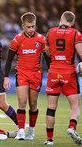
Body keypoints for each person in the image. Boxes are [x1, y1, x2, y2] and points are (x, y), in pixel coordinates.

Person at [3, 12, 50, 140]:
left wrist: (51, 74)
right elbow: (8, 60)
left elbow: (47, 59)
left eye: (33, 26)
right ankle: (21, 132)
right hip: (22, 73)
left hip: (36, 74)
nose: (31, 29)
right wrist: (6, 77)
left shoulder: (41, 39)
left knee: (33, 104)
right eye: (28, 27)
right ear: (23, 26)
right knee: (22, 103)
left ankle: (31, 132)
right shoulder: (17, 40)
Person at [44, 11, 82, 145]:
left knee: (51, 107)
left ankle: (49, 140)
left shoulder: (50, 32)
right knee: (75, 106)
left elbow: (47, 52)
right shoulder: (76, 33)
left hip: (53, 71)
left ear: (61, 19)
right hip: (69, 72)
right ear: (72, 22)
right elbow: (81, 53)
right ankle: (72, 127)